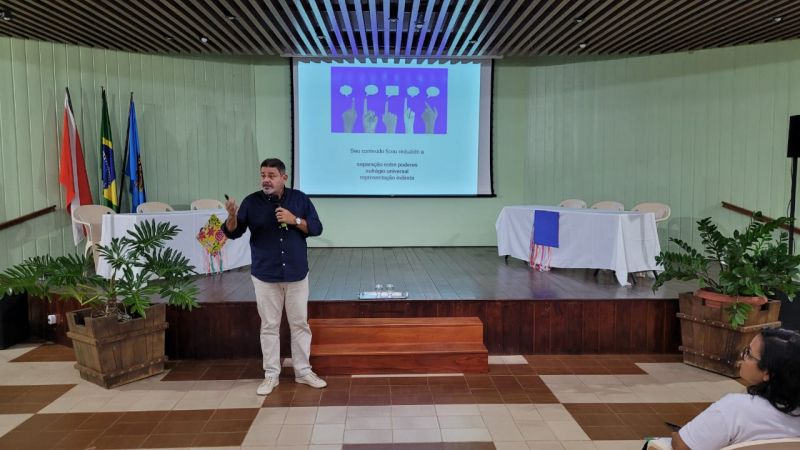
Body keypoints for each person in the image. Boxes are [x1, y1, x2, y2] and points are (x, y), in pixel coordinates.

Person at [222, 158, 327, 396]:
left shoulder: (299, 199)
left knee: (299, 324)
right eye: (263, 175)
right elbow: (233, 232)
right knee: (269, 326)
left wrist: (294, 220)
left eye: (271, 175)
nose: (266, 180)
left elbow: (316, 228)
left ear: (284, 178)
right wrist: (231, 216)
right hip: (265, 275)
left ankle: (303, 371)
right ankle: (271, 375)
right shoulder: (251, 202)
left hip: (296, 273)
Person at [667, 328, 800, 450]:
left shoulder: (735, 408)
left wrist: (677, 436)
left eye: (748, 354)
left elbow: (683, 446)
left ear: (767, 372)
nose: (742, 357)